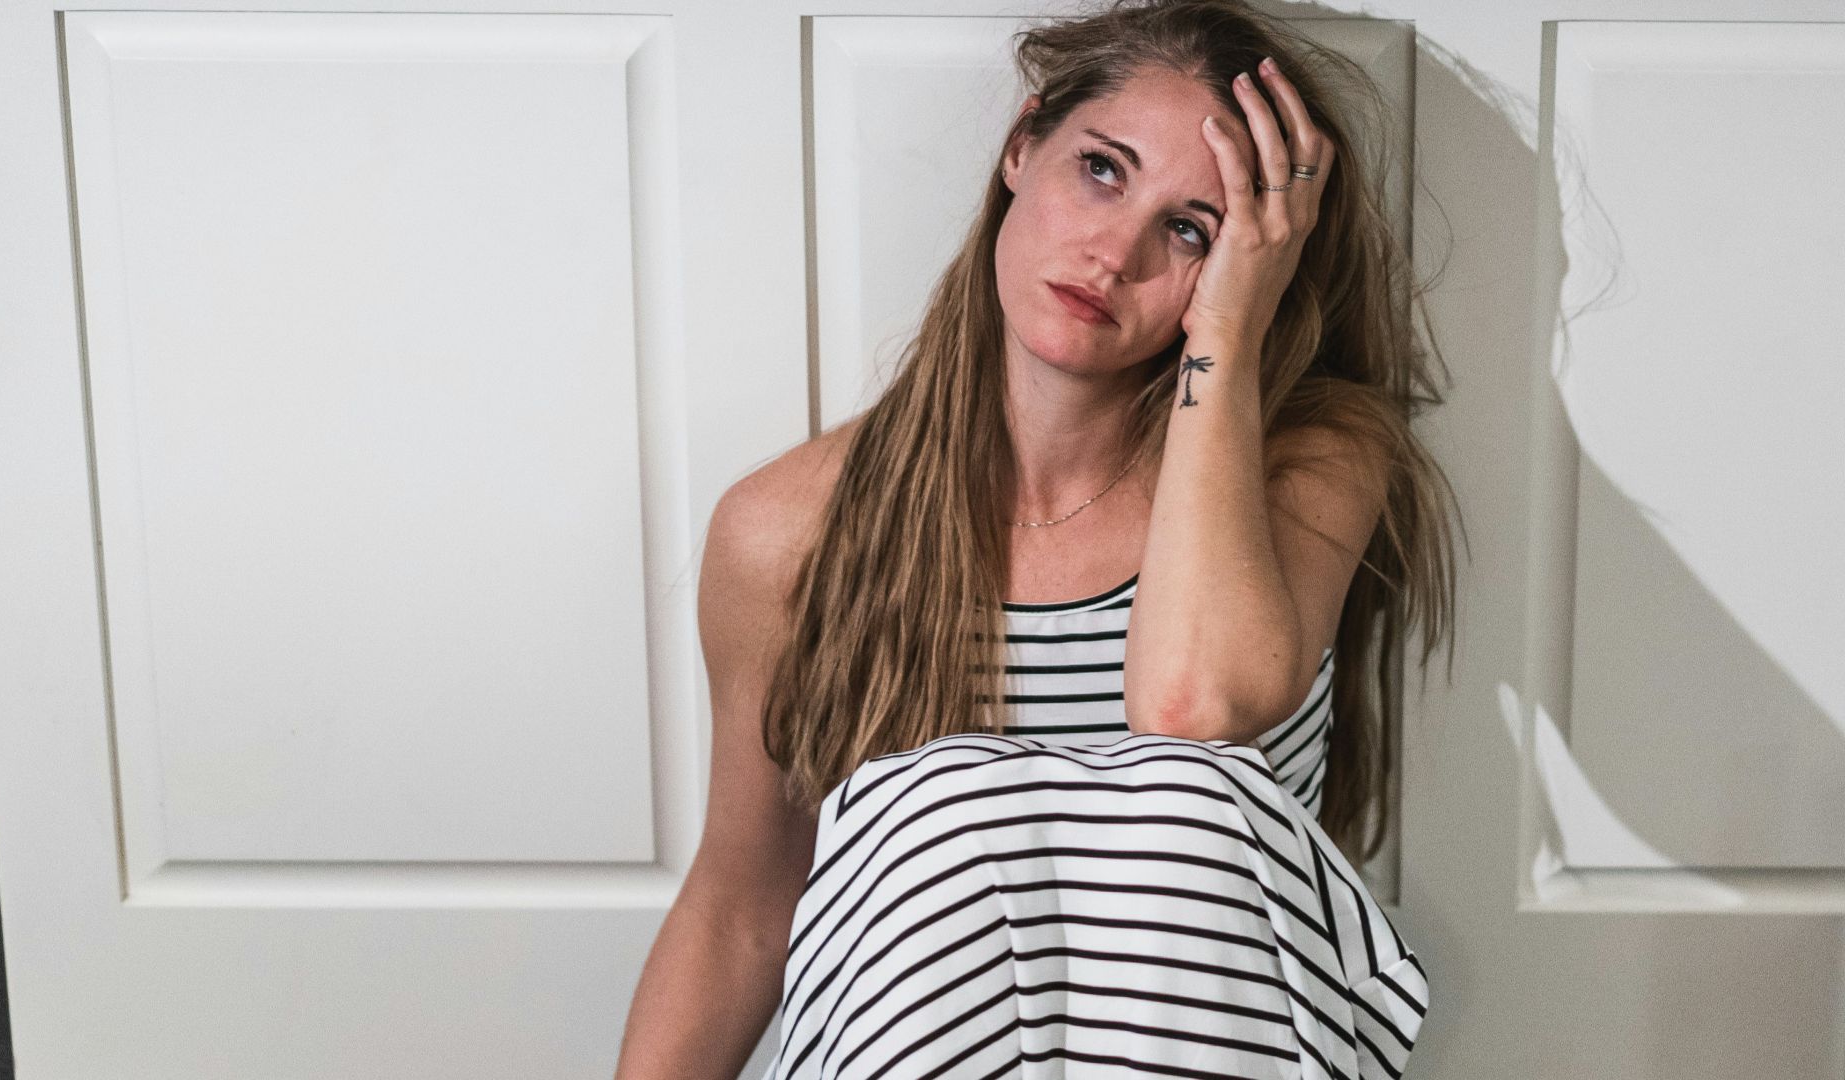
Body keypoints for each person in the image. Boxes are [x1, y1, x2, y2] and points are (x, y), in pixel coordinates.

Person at [617, 0, 1462, 1076]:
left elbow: (1192, 712)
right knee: (927, 807)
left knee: (1189, 804)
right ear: (1022, 148)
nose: (1114, 252)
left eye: (1192, 229)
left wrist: (1229, 333)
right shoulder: (792, 532)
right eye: (1102, 171)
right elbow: (742, 905)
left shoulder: (1306, 463)